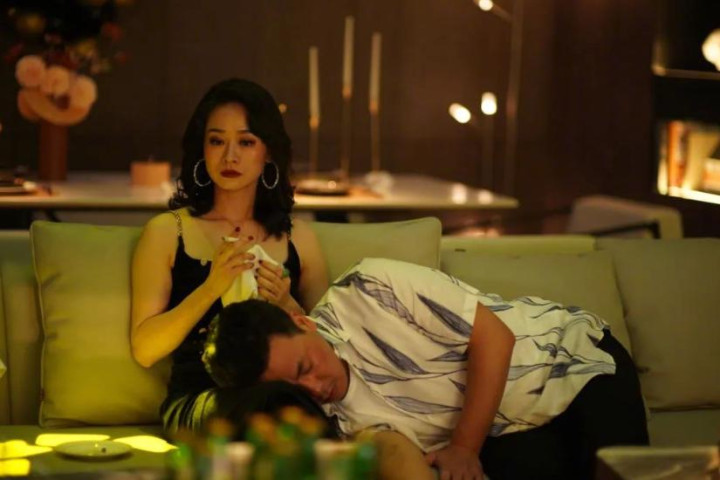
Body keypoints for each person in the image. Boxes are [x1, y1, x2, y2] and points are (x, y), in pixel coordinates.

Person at [204, 258, 649, 480]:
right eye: (293, 387)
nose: (314, 386)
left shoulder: (370, 286)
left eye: (305, 366)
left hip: (566, 360)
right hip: (509, 430)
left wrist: (464, 447)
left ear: (303, 322)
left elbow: (495, 338)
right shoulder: (326, 422)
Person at [130, 78, 331, 436]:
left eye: (246, 142)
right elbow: (145, 350)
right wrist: (212, 287)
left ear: (268, 152)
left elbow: (332, 345)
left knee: (289, 404)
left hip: (284, 392)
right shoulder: (167, 232)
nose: (230, 156)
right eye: (217, 141)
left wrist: (287, 305)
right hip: (201, 398)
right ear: (202, 149)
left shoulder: (299, 238)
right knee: (275, 410)